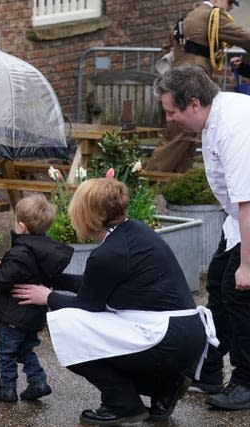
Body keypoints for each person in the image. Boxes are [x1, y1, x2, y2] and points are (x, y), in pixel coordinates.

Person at [12, 178, 216, 426]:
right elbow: (96, 284)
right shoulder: (135, 231)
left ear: (87, 212)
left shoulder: (108, 253)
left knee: (68, 325)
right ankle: (164, 387)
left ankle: (122, 404)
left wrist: (47, 297)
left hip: (167, 340)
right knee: (93, 327)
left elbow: (88, 305)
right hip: (184, 335)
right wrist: (55, 280)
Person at [154, 64, 250, 410]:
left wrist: (248, 266)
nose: (169, 119)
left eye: (172, 111)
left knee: (241, 293)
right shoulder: (215, 117)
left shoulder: (234, 128)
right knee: (219, 287)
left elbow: (247, 201)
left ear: (194, 104)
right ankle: (208, 368)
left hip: (247, 213)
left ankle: (246, 380)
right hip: (237, 217)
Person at [0, 194, 73, 403]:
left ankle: (6, 388)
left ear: (21, 226)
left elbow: (3, 281)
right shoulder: (45, 249)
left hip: (13, 314)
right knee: (25, 349)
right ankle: (38, 381)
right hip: (34, 314)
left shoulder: (21, 251)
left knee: (7, 352)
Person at [147, 0, 250, 173]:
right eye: (229, 2)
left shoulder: (187, 16)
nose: (230, 7)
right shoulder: (212, 16)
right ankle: (149, 184)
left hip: (177, 78)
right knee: (178, 135)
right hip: (192, 80)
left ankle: (173, 183)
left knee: (186, 134)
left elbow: (165, 48)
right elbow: (245, 37)